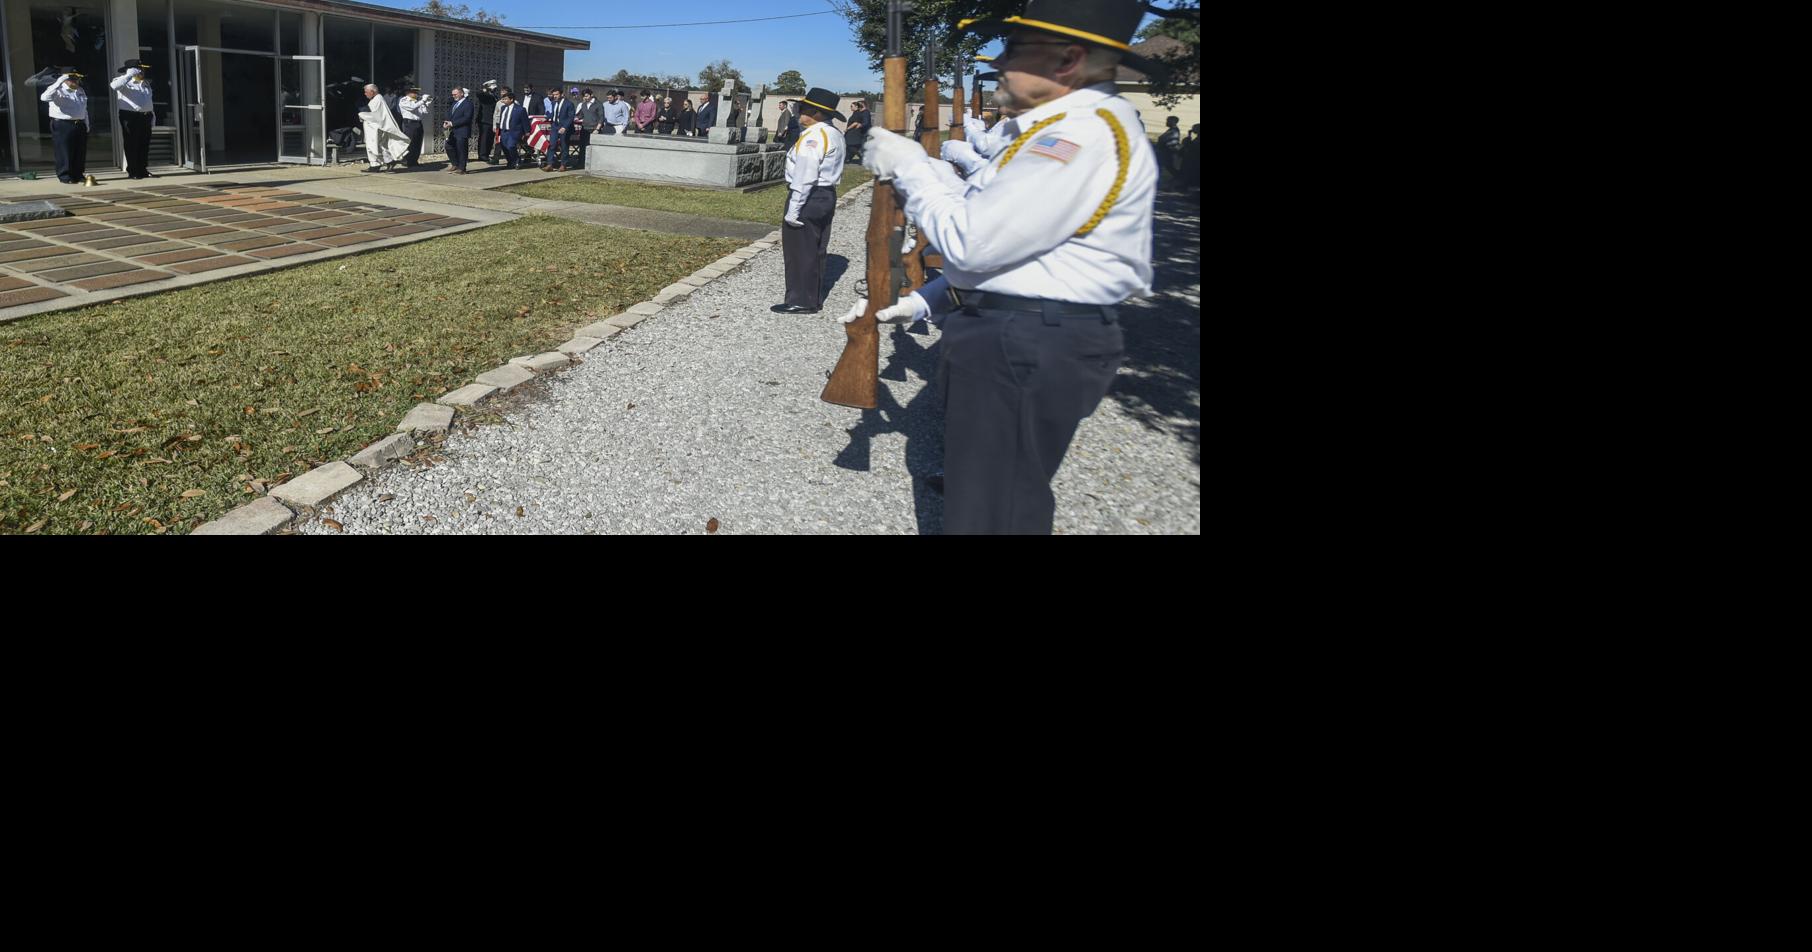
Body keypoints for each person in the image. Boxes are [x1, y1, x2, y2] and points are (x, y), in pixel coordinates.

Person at [855, 0, 1158, 534]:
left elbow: (973, 242)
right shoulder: (1062, 129)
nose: (999, 63)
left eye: (1016, 50)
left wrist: (911, 170)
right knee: (986, 498)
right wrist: (926, 300)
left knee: (994, 516)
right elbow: (1002, 233)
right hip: (1022, 333)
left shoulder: (1079, 135)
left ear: (1067, 61)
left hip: (1027, 339)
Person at [772, 88, 847, 314]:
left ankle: (800, 300)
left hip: (809, 195)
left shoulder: (813, 137)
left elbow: (805, 176)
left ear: (815, 112)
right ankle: (813, 296)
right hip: (826, 194)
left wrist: (793, 210)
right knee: (816, 248)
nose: (798, 112)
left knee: (800, 249)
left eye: (802, 108)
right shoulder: (833, 133)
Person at [39, 69, 89, 184]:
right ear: (65, 79)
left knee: (79, 152)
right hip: (63, 124)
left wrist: (86, 123)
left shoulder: (80, 90)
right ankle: (65, 176)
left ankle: (78, 174)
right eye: (72, 79)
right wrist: (59, 82)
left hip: (79, 123)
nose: (76, 81)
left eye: (77, 79)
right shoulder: (57, 90)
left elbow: (84, 109)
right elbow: (44, 97)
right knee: (64, 151)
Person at [111, 60, 156, 180]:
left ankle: (143, 169)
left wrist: (152, 115)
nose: (142, 72)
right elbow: (114, 86)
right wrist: (128, 75)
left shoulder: (145, 83)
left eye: (143, 70)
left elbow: (148, 100)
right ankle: (133, 170)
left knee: (144, 144)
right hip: (130, 116)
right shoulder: (122, 80)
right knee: (132, 144)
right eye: (140, 69)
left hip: (145, 116)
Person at [358, 83, 408, 172]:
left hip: (377, 128)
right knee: (375, 146)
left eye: (366, 92)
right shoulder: (376, 99)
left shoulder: (378, 99)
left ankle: (386, 163)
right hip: (373, 128)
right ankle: (377, 164)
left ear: (372, 92)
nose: (365, 94)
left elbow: (376, 115)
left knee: (378, 146)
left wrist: (362, 115)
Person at [441, 85, 474, 173]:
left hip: (462, 130)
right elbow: (450, 114)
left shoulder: (468, 104)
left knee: (461, 149)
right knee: (448, 146)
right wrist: (446, 122)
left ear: (462, 94)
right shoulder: (454, 103)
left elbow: (467, 118)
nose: (453, 96)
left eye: (455, 94)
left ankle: (462, 168)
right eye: (452, 95)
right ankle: (455, 164)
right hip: (452, 131)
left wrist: (452, 123)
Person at [493, 91, 528, 169]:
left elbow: (525, 121)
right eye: (503, 99)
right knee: (504, 147)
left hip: (514, 132)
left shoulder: (520, 109)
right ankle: (510, 161)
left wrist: (526, 132)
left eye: (505, 99)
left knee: (511, 146)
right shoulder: (503, 108)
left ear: (511, 99)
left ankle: (516, 160)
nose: (504, 101)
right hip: (503, 131)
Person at [397, 86, 430, 168]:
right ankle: (407, 160)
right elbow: (412, 107)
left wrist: (426, 103)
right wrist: (422, 101)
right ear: (408, 92)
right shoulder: (404, 100)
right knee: (409, 143)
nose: (416, 94)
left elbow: (425, 112)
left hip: (418, 123)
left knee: (417, 143)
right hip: (409, 123)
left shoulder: (417, 101)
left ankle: (414, 161)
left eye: (416, 92)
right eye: (414, 92)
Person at [574, 88, 601, 163]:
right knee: (582, 146)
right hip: (585, 128)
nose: (585, 98)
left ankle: (593, 163)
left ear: (591, 95)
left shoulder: (598, 104)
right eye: (584, 96)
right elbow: (580, 115)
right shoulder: (583, 104)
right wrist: (575, 118)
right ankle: (581, 163)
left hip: (594, 128)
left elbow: (601, 117)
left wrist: (597, 129)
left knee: (593, 147)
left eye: (587, 96)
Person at [476, 80, 500, 163]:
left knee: (490, 138)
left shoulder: (494, 96)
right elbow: (478, 94)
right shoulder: (485, 95)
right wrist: (484, 89)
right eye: (492, 87)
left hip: (492, 120)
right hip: (484, 120)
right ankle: (482, 155)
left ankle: (487, 154)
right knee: (484, 138)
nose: (494, 89)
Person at [1155, 114, 1181, 187]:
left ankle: (1179, 177)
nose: (1166, 122)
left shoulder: (1174, 131)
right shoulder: (1171, 130)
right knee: (1164, 166)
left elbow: (1172, 142)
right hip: (1165, 151)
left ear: (1173, 121)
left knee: (1167, 166)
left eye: (1168, 121)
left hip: (1166, 152)